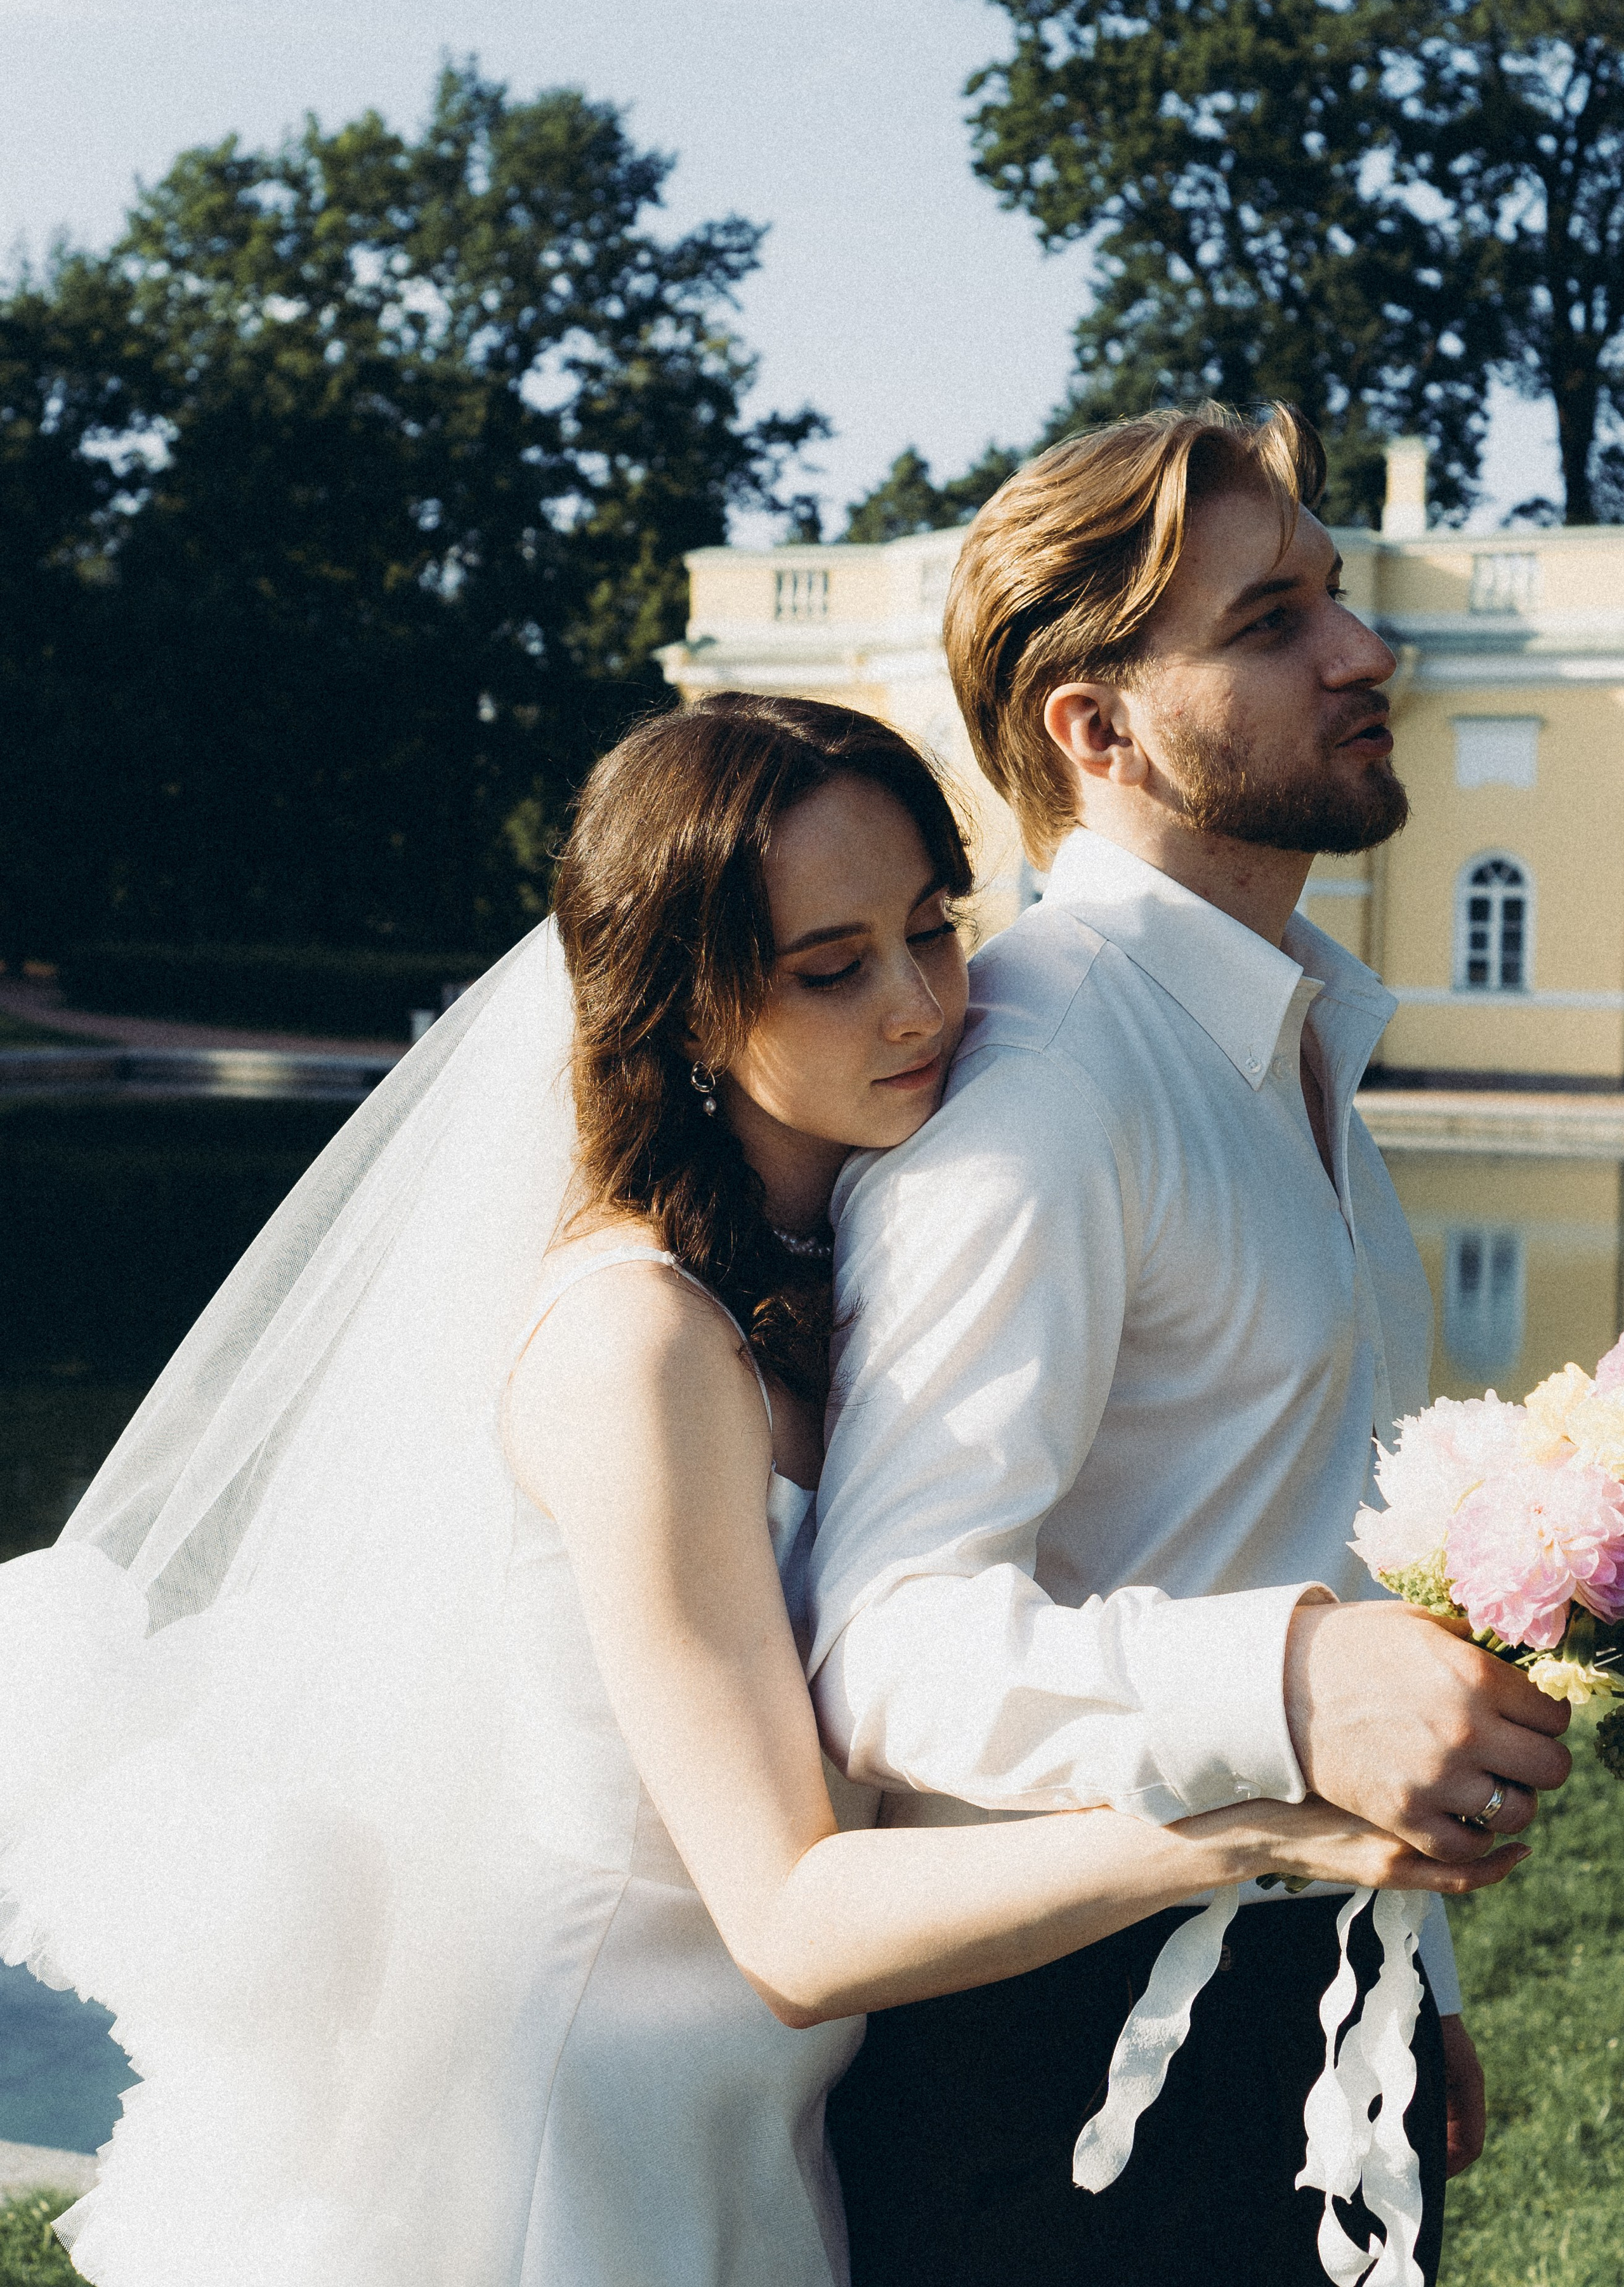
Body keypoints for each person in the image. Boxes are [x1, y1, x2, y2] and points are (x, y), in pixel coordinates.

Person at [0, 694, 1516, 2287]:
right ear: (681, 1007)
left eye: (932, 928)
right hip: (587, 2129)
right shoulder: (636, 1344)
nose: (925, 1002)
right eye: (829, 967)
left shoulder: (839, 1259)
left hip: (780, 2110)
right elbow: (789, 1923)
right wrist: (1245, 1820)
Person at [809, 412, 1573, 2287]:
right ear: (1099, 726)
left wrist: (1417, 1974)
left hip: (1308, 2004)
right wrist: (1303, 1690)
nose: (1364, 649)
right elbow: (887, 1646)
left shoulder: (1302, 1043)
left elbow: (1314, 1536)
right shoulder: (1052, 1083)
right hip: (1058, 2084)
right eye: (1274, 619)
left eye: (1338, 595)